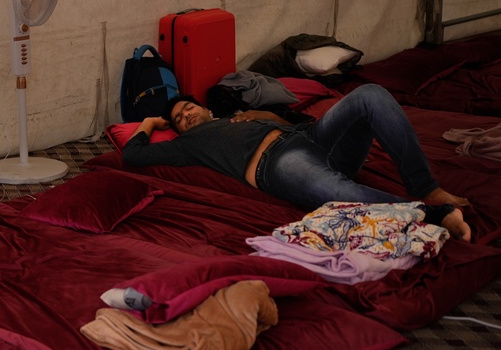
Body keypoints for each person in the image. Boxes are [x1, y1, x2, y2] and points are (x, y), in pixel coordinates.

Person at [122, 83, 472, 242]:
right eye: (179, 119)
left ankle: (426, 187)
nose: (186, 116)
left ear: (205, 108)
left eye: (188, 108)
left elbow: (293, 120)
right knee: (338, 190)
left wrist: (263, 116)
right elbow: (132, 155)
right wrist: (149, 124)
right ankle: (433, 213)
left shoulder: (236, 117)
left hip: (311, 137)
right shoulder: (187, 145)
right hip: (277, 162)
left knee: (370, 94)